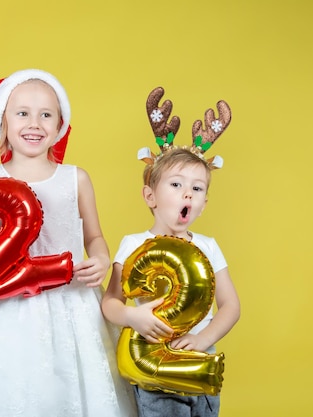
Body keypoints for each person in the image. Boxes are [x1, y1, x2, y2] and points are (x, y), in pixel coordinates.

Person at [0, 69, 137, 417]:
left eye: (46, 114)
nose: (35, 123)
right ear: (4, 122)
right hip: (9, 306)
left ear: (60, 124)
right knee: (13, 386)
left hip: (70, 301)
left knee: (73, 384)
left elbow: (93, 235)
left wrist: (102, 258)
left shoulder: (75, 178)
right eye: (23, 113)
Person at [101, 90, 241, 417]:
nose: (187, 195)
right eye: (176, 185)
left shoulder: (207, 246)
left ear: (204, 204)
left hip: (198, 358)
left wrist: (203, 337)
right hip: (152, 359)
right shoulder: (133, 244)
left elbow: (231, 305)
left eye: (197, 188)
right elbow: (110, 302)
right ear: (150, 196)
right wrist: (133, 317)